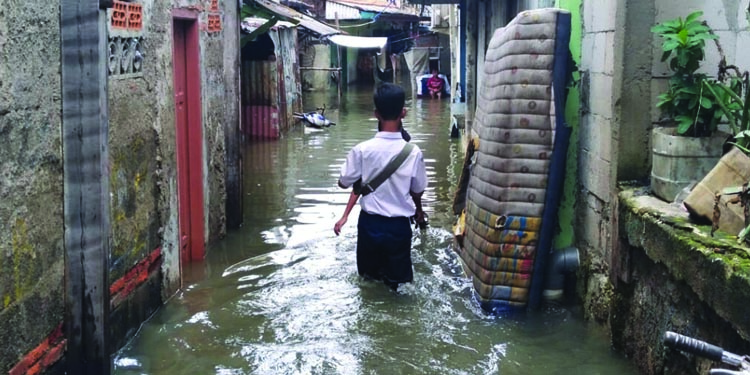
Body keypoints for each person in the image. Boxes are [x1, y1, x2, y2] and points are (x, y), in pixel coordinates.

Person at [334, 83, 428, 290]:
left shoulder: (361, 150)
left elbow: (343, 183)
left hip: (369, 225)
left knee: (368, 283)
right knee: (400, 286)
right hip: (399, 228)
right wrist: (419, 211)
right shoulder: (413, 152)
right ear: (403, 112)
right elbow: (417, 190)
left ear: (376, 114)